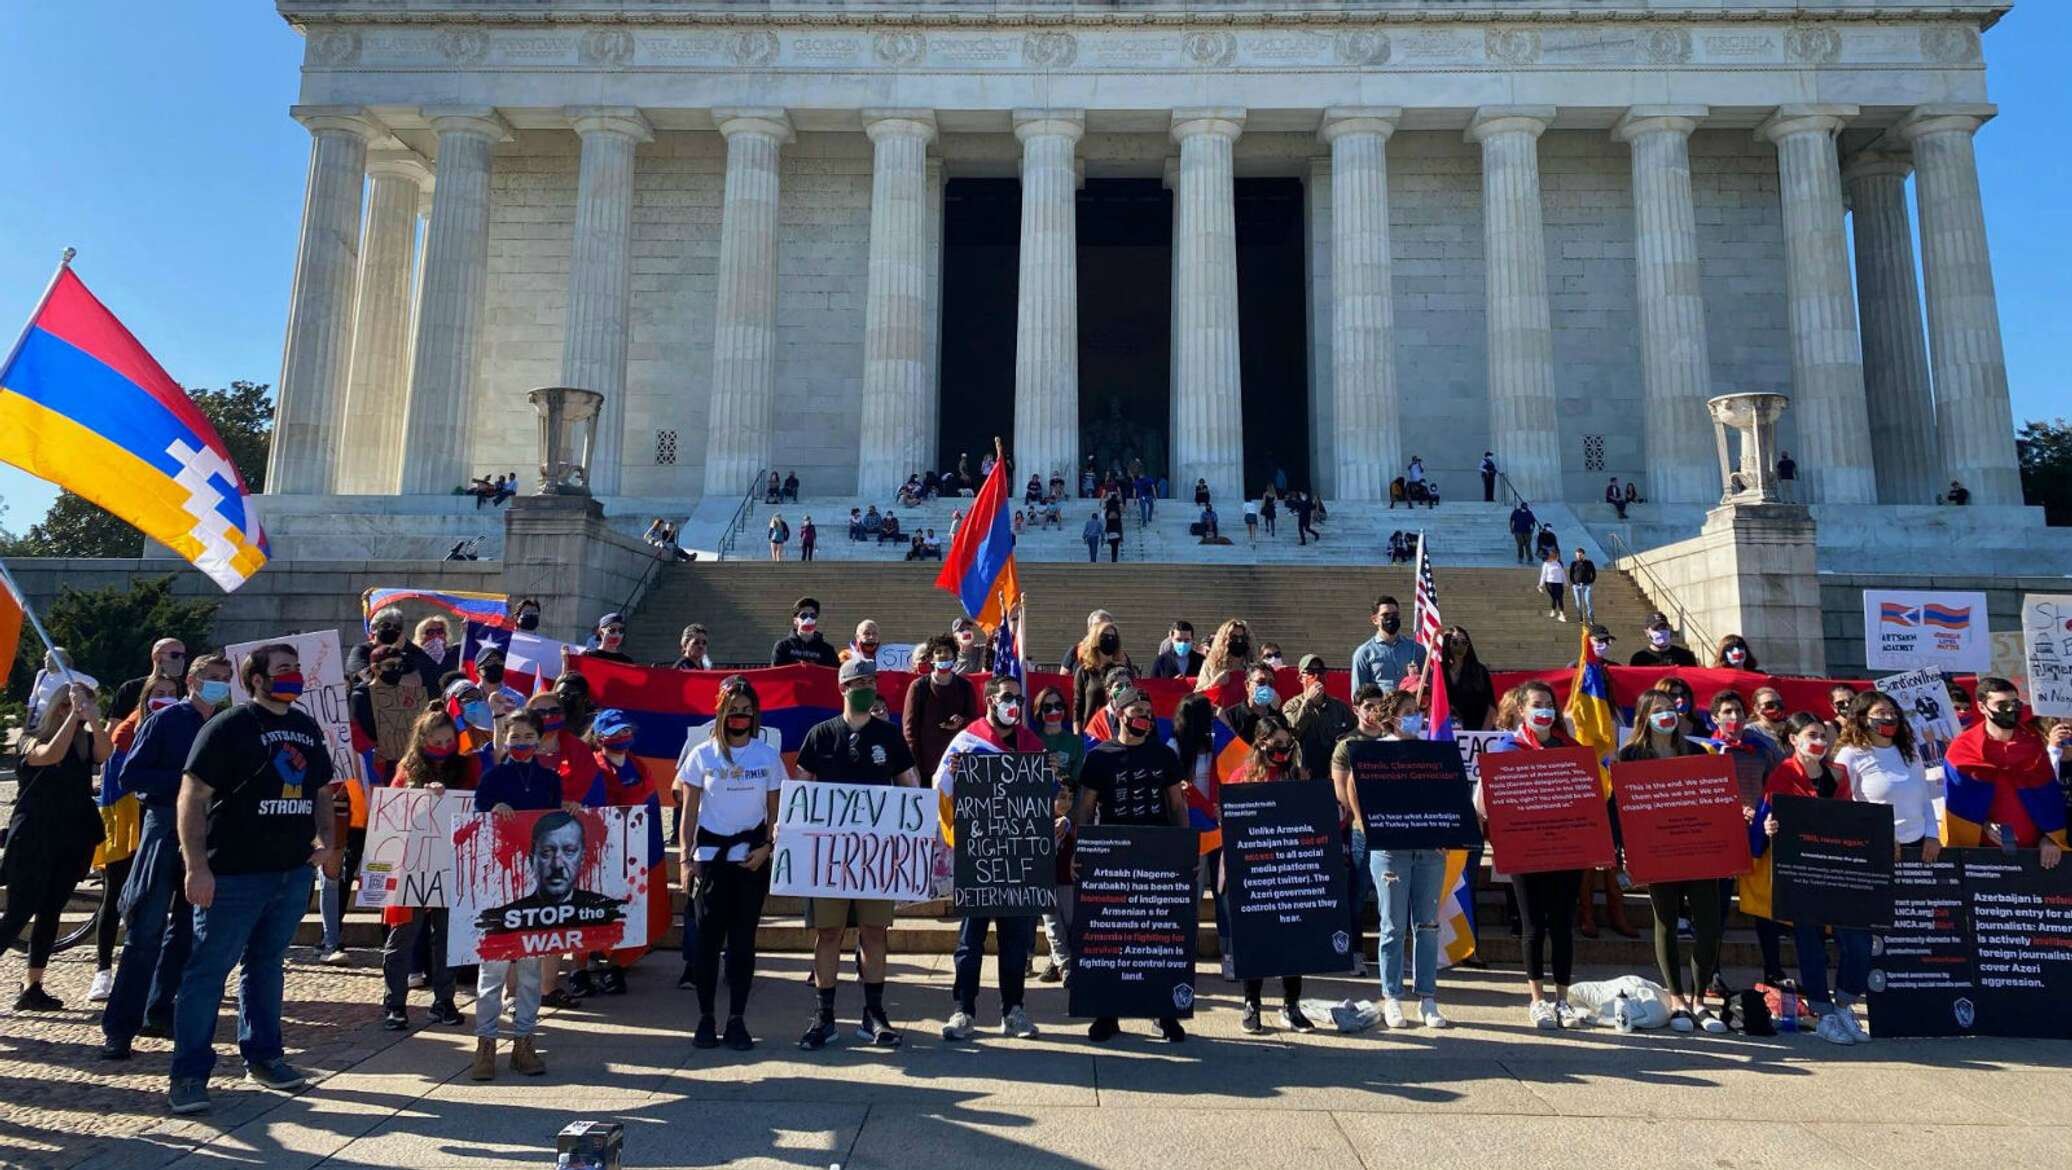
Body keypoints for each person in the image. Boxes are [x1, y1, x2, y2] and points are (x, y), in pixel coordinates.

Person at [168, 643, 338, 1114]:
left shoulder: (305, 727)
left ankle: (264, 1056)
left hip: (290, 873)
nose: (295, 676)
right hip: (233, 876)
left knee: (266, 966)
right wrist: (196, 866)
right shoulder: (229, 727)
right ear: (257, 680)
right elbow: (192, 795)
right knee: (207, 973)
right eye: (284, 669)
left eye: (297, 668)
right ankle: (188, 1074)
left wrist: (327, 840)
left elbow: (321, 789)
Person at [99, 654, 232, 1060]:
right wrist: (190, 784)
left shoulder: (224, 727)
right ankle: (119, 1028)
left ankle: (160, 1009)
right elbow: (132, 775)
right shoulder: (166, 720)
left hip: (208, 833)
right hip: (162, 828)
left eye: (225, 679)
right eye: (212, 678)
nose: (219, 685)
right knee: (145, 932)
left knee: (189, 932)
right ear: (191, 680)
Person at [795, 658, 921, 1050]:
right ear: (843, 688)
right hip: (830, 856)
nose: (867, 687)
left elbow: (910, 785)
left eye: (872, 681)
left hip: (874, 857)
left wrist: (917, 827)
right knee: (828, 932)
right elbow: (801, 790)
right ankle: (824, 1015)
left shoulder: (889, 735)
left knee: (873, 932)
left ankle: (874, 1014)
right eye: (859, 681)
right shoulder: (820, 735)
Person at [1073, 687, 1190, 1043]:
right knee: (1110, 938)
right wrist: (1081, 850)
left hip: (1156, 853)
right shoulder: (1099, 757)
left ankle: (1165, 1013)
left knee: (1159, 937)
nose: (1145, 716)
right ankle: (1106, 1014)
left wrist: (1184, 849)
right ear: (1119, 714)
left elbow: (1176, 805)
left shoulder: (1164, 755)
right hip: (1113, 855)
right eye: (1137, 709)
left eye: (1148, 710)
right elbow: (1085, 808)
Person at [936, 674, 1049, 1040]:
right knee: (970, 942)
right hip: (978, 858)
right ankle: (963, 1011)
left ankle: (1013, 1011)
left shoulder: (1031, 743)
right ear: (989, 701)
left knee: (1016, 943)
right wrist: (954, 775)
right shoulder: (967, 742)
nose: (1012, 704)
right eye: (1005, 697)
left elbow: (1046, 795)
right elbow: (940, 789)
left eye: (1017, 697)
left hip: (1019, 859)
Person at [676, 675, 784, 1051]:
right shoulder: (701, 755)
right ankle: (706, 1017)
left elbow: (776, 811)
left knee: (742, 944)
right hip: (709, 861)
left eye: (746, 710)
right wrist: (686, 861)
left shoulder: (766, 756)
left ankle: (737, 1018)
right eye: (732, 710)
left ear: (754, 715)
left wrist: (767, 848)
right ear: (720, 712)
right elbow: (688, 812)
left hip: (749, 860)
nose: (739, 716)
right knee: (706, 943)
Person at [1616, 685, 1726, 1035]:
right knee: (1666, 920)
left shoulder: (1697, 751)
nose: (1667, 714)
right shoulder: (1629, 756)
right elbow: (1620, 809)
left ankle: (1700, 998)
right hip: (1657, 852)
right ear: (1644, 718)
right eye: (1658, 709)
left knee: (1709, 923)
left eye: (1671, 707)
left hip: (1699, 849)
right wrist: (1623, 850)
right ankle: (1677, 997)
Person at [1342, 688, 1454, 1030]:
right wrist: (1365, 823)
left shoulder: (1431, 751)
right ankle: (1391, 997)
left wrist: (1447, 829)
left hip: (1429, 849)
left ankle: (1428, 999)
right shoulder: (1374, 752)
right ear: (1391, 718)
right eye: (1408, 711)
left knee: (1428, 924)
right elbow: (1352, 786)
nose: (1415, 716)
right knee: (1392, 925)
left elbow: (1446, 793)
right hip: (1390, 849)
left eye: (1417, 710)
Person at [1757, 713, 1872, 1045]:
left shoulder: (1839, 773)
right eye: (1811, 735)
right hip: (1802, 872)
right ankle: (1824, 1013)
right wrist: (1770, 828)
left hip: (1839, 870)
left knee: (1858, 944)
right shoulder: (1782, 774)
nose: (1820, 741)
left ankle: (1846, 1003)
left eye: (1823, 735)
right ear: (1793, 740)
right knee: (1810, 945)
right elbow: (1771, 816)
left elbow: (1847, 815)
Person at [3, 677, 110, 1014]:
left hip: (71, 837)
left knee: (50, 912)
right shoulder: (30, 739)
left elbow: (105, 754)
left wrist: (92, 718)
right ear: (56, 708)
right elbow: (50, 755)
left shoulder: (83, 742)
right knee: (18, 913)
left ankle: (33, 985)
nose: (73, 713)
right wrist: (71, 717)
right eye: (66, 706)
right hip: (35, 837)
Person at [1485, 681, 1588, 1027]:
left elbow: (1586, 799)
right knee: (1532, 927)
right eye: (1536, 704)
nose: (1544, 710)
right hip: (1525, 850)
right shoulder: (1505, 750)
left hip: (1566, 851)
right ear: (1522, 710)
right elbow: (1485, 804)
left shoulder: (1570, 748)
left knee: (1562, 925)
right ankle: (1537, 999)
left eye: (1548, 703)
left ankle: (1562, 999)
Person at [467, 711, 563, 1079]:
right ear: (504, 740)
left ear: (539, 741)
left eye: (527, 736)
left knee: (529, 969)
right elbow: (475, 823)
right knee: (491, 970)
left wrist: (568, 811)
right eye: (514, 736)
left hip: (536, 884)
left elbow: (555, 824)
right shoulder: (493, 778)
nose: (521, 742)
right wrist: (493, 810)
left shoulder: (550, 780)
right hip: (497, 884)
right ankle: (485, 1043)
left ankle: (524, 1040)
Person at [380, 710, 477, 1032]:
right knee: (403, 936)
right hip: (413, 864)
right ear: (423, 741)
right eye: (437, 742)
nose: (444, 746)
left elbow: (476, 805)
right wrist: (418, 795)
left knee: (448, 937)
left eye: (449, 741)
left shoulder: (467, 767)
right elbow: (392, 810)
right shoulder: (408, 769)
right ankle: (394, 1003)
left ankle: (444, 1001)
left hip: (452, 864)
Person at [1222, 716, 1316, 1033]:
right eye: (1277, 744)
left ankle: (1291, 1006)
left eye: (1288, 743)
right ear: (1261, 743)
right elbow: (1230, 825)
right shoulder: (1243, 777)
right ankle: (1252, 1004)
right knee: (1256, 941)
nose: (1284, 749)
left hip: (1290, 871)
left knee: (1294, 940)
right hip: (1255, 872)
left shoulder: (1298, 777)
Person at [1941, 678, 2066, 865]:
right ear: (1982, 707)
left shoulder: (2033, 744)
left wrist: (2049, 839)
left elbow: (2048, 798)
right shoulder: (1962, 749)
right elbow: (1958, 806)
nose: (2010, 709)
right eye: (2002, 704)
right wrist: (1982, 825)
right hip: (1982, 858)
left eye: (2015, 703)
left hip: (2036, 856)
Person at [1834, 690, 1942, 863]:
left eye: (1892, 712)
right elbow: (1842, 807)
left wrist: (1932, 835)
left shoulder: (1910, 751)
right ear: (1862, 719)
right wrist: (1878, 837)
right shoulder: (1850, 755)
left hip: (1921, 848)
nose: (1889, 717)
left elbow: (1924, 798)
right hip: (1877, 848)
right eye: (1880, 713)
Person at [904, 635, 979, 780]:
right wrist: (915, 767)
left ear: (954, 655)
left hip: (957, 765)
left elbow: (974, 726)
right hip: (926, 768)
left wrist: (962, 721)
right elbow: (910, 731)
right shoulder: (919, 687)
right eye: (938, 652)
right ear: (931, 658)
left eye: (947, 651)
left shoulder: (965, 687)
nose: (943, 655)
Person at [1351, 595, 1425, 694]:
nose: (1391, 618)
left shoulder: (1416, 649)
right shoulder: (1364, 653)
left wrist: (1416, 678)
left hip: (1409, 707)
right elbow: (1358, 694)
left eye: (1395, 614)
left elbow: (1430, 686)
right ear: (1375, 620)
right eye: (1385, 615)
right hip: (1380, 708)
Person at [1071, 619, 1133, 733]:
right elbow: (1078, 708)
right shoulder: (1084, 672)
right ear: (1095, 640)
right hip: (1093, 731)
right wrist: (1077, 736)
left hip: (1120, 731)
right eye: (1105, 636)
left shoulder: (1124, 671)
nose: (1110, 640)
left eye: (1113, 637)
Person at [113, 637, 188, 722]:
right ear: (156, 656)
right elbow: (113, 729)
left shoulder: (187, 690)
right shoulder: (131, 688)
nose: (180, 660)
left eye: (183, 656)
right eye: (175, 655)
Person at [771, 597, 839, 667]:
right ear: (795, 621)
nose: (809, 619)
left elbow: (835, 675)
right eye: (804, 616)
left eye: (813, 616)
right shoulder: (783, 647)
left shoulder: (827, 650)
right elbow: (776, 674)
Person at [1629, 612, 1699, 667]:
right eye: (1656, 629)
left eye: (1664, 628)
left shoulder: (1685, 656)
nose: (1661, 632)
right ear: (1647, 633)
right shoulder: (1639, 659)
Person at [1537, 548, 1569, 621]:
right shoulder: (1546, 564)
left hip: (1559, 583)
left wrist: (1566, 583)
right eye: (1555, 555)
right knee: (1555, 597)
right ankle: (1556, 612)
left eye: (1557, 555)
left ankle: (1559, 614)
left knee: (1560, 598)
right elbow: (1543, 575)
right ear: (1551, 555)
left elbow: (1562, 573)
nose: (1557, 556)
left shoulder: (1558, 563)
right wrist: (1540, 585)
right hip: (1550, 583)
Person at [1568, 547, 1598, 624]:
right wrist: (1575, 583)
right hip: (1576, 586)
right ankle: (1581, 617)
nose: (1579, 556)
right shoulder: (1573, 563)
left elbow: (1594, 573)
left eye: (1580, 555)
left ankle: (1591, 619)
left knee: (1588, 602)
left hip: (1587, 586)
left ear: (1583, 555)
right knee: (1578, 604)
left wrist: (1591, 581)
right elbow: (1571, 575)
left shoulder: (1589, 563)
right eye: (1577, 555)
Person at [1106, 493, 1126, 561]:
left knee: (1112, 545)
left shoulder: (1108, 503)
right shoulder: (1118, 504)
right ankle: (1115, 557)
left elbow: (1105, 513)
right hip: (1117, 527)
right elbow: (1123, 510)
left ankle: (1113, 557)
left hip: (1110, 526)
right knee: (1116, 546)